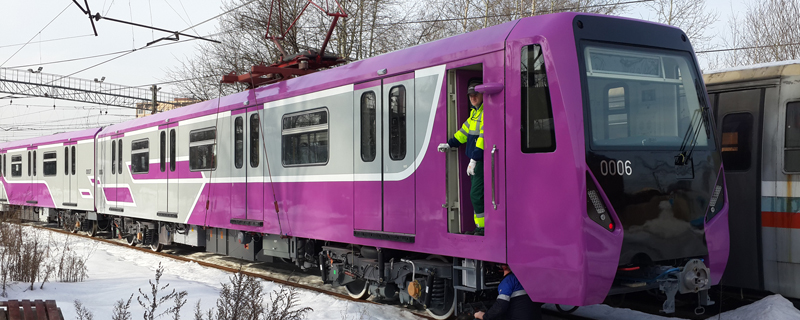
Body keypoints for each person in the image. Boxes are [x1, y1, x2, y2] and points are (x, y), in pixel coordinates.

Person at [438, 79, 485, 236]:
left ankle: (483, 228)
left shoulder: (485, 113)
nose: (473, 97)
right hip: (475, 161)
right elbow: (463, 133)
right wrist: (450, 144)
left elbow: (484, 138)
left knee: (476, 195)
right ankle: (479, 227)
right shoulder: (475, 114)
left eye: (475, 94)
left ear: (482, 94)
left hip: (480, 162)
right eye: (470, 95)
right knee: (476, 194)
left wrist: (475, 159)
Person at [474, 264, 541, 320]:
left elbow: (501, 305)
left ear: (504, 267)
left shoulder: (508, 280)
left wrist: (484, 316)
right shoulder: (527, 278)